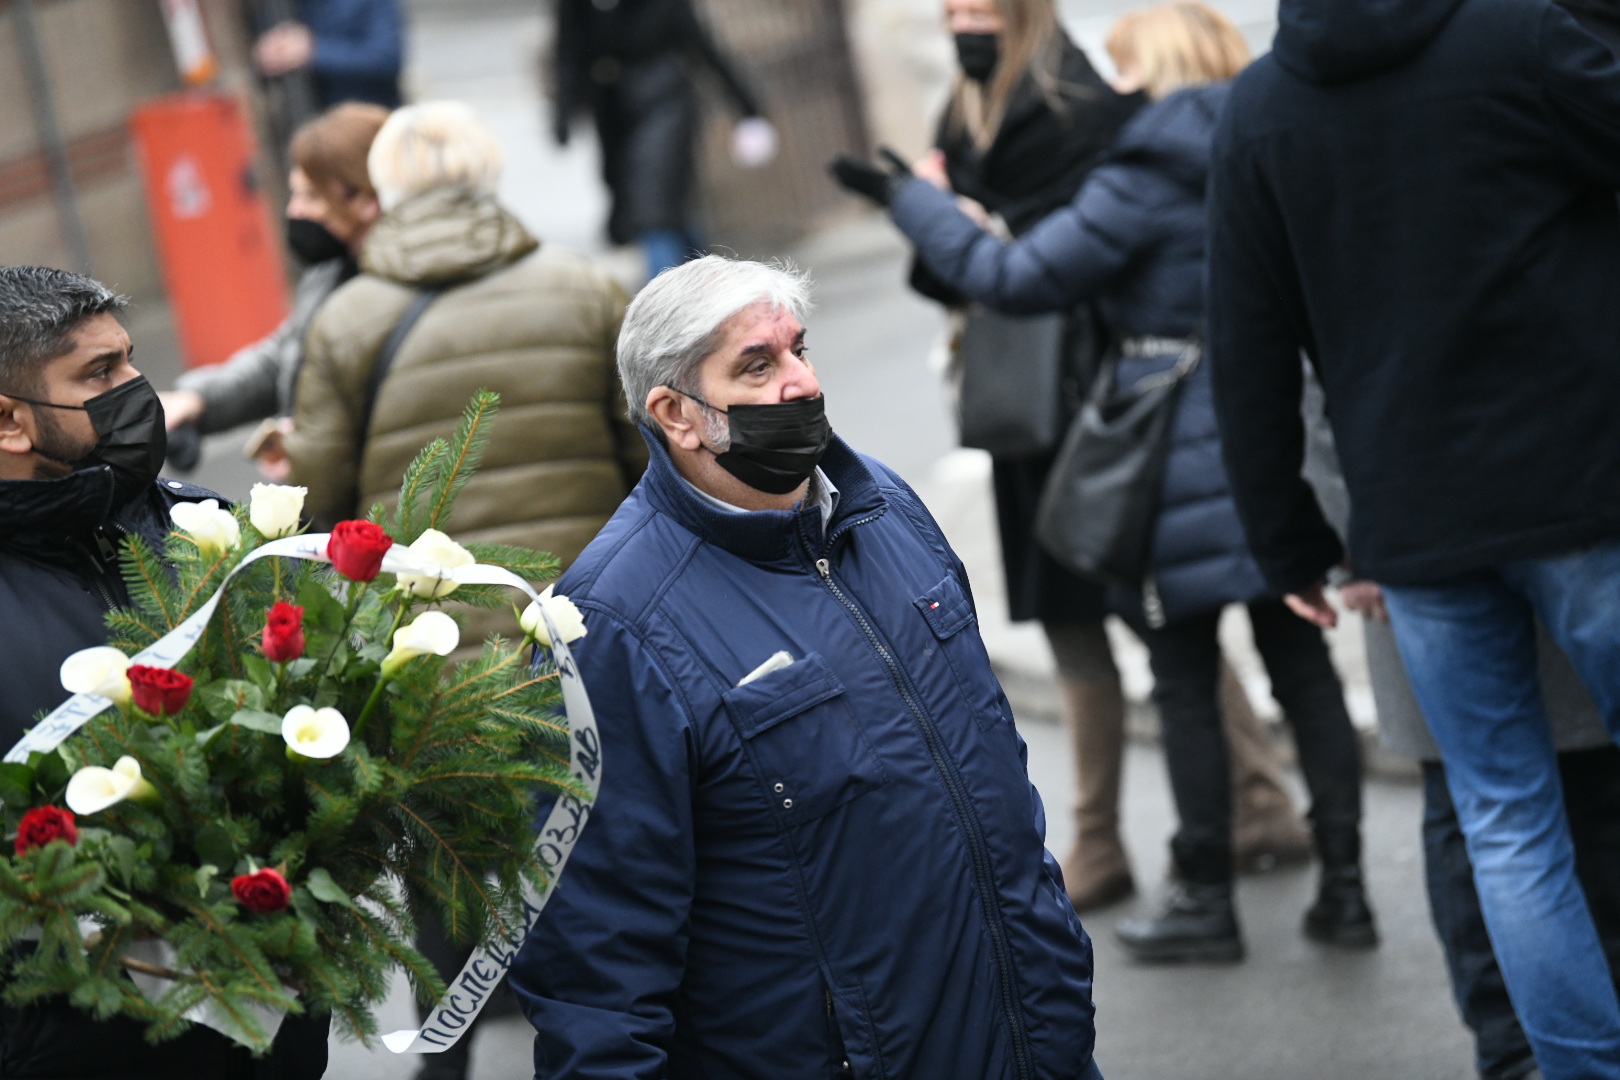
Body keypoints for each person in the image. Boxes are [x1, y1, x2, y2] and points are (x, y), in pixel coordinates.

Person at [835, 1, 1371, 962]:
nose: (1114, 83)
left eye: (1126, 65)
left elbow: (1012, 277)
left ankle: (1205, 899)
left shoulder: (1139, 170)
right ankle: (1347, 889)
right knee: (1302, 668)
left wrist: (915, 202)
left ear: (1150, 69)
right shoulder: (1276, 141)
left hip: (1171, 447)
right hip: (1278, 428)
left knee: (1180, 676)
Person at [508, 255, 1102, 1078]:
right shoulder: (610, 627)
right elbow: (598, 961)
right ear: (676, 413)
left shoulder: (886, 510)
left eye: (798, 349)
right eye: (757, 365)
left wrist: (1059, 978)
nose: (799, 383)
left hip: (1031, 1042)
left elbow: (993, 784)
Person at [1206, 0, 1620, 1071]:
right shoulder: (1520, 37)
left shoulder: (1260, 108)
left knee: (1506, 825)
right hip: (1586, 484)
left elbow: (1245, 349)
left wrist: (1289, 541)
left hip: (1417, 527)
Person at [0, 265, 330, 1077]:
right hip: (77, 1039)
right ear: (10, 421)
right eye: (99, 374)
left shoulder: (202, 526)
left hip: (271, 1030)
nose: (137, 389)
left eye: (129, 360)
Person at [160, 102, 388, 479]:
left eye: (312, 197)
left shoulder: (394, 290)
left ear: (366, 199)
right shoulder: (331, 268)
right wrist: (198, 399)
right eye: (294, 194)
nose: (295, 210)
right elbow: (287, 354)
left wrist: (312, 447)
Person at [551, 0, 774, 279]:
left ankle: (663, 294)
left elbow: (701, 44)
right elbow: (569, 51)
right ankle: (707, 280)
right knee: (660, 206)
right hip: (612, 108)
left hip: (665, 98)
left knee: (653, 203)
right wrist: (563, 112)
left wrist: (747, 106)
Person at [254, 0, 404, 109]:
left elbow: (386, 59)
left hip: (365, 120)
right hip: (306, 124)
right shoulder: (280, 7)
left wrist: (314, 51)